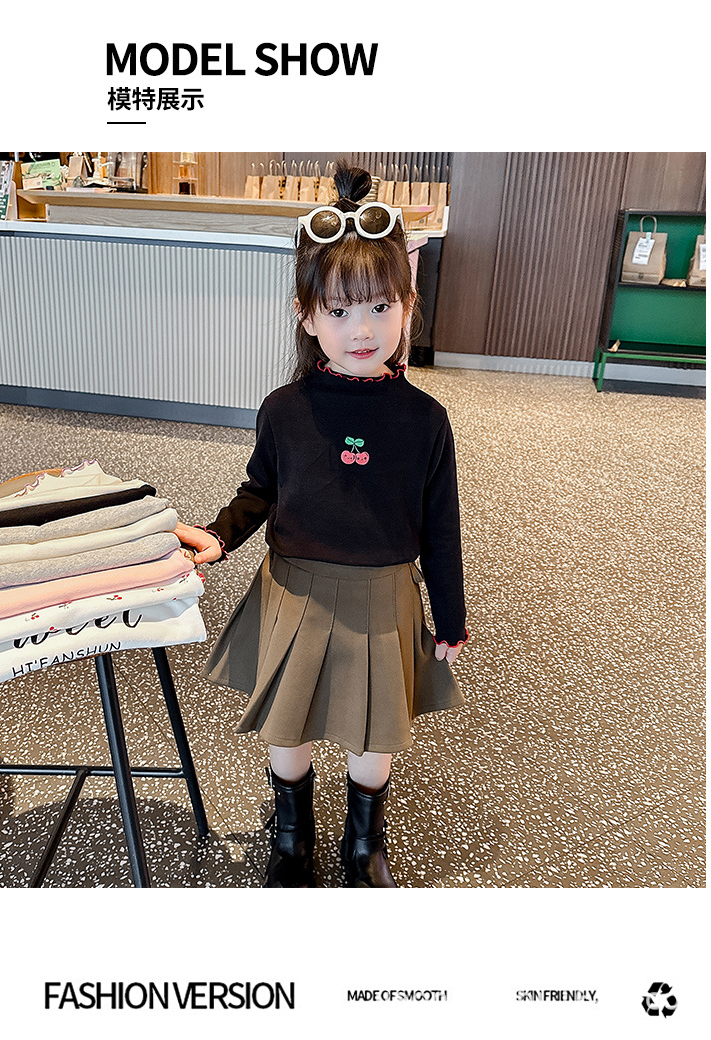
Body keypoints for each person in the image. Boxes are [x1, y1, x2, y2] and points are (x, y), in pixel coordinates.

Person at [175, 161, 468, 888]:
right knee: (292, 723)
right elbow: (261, 490)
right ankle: (291, 836)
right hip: (296, 590)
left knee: (375, 733)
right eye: (338, 311)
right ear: (307, 315)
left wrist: (450, 617)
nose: (361, 329)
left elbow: (441, 526)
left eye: (379, 306)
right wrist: (220, 534)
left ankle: (365, 844)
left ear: (408, 304)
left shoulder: (426, 420)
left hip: (384, 595)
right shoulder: (285, 409)